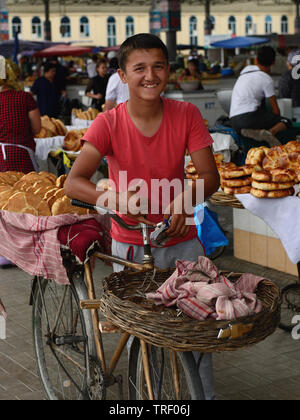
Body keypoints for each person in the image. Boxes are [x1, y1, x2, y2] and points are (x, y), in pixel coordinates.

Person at [65, 33, 220, 400]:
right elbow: (74, 183)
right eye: (139, 68)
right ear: (122, 75)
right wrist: (113, 196)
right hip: (131, 245)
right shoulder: (108, 122)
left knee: (198, 329)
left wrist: (186, 199)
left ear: (169, 71)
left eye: (158, 66)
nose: (150, 76)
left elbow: (210, 176)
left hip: (182, 242)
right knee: (142, 334)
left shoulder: (187, 114)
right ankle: (143, 394)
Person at [0, 56, 41, 267]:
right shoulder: (24, 98)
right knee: (24, 201)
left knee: (2, 202)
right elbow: (36, 129)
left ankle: (3, 250)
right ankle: (24, 249)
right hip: (20, 154)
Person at [229, 46, 290, 146]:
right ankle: (269, 133)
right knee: (286, 121)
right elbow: (275, 110)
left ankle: (257, 132)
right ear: (274, 62)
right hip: (249, 119)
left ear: (256, 60)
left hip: (234, 121)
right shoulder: (266, 78)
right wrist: (277, 120)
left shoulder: (243, 75)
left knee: (261, 117)